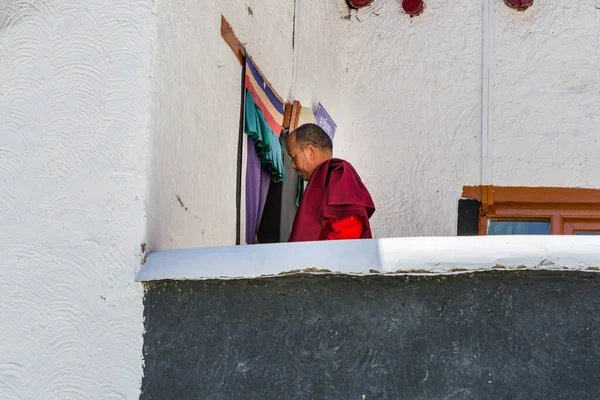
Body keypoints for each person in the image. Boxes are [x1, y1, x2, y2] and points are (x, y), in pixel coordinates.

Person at [286, 123, 375, 242]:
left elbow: (347, 232)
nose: (292, 165)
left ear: (311, 152)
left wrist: (314, 259)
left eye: (293, 157)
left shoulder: (339, 173)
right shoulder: (320, 182)